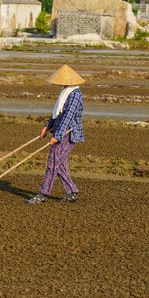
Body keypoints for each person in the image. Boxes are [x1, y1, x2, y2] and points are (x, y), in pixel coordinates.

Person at [27, 64, 85, 204]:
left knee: (53, 162)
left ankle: (43, 193)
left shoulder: (75, 96)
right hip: (59, 131)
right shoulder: (65, 93)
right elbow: (58, 115)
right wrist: (47, 127)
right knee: (59, 164)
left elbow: (67, 118)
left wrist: (57, 136)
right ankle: (72, 191)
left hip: (68, 134)